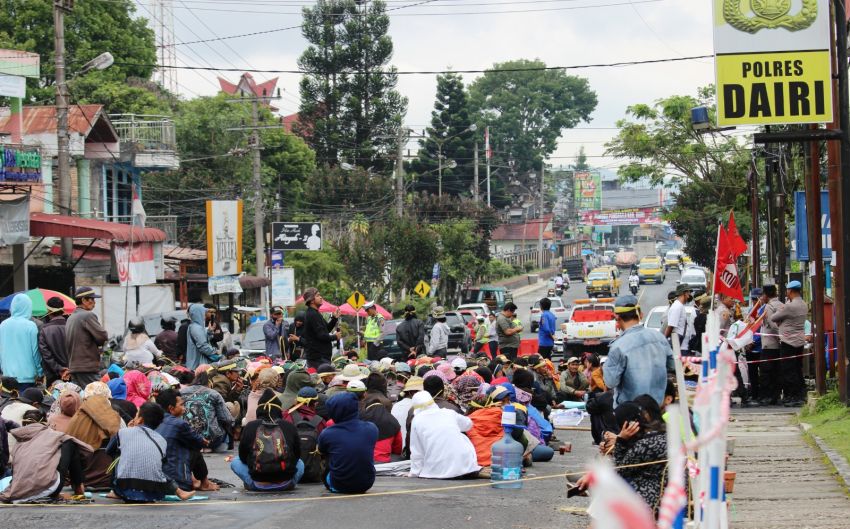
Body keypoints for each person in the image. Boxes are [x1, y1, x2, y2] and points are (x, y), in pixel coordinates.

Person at [106, 402, 195, 502]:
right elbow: (162, 465)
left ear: (140, 419)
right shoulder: (161, 440)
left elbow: (109, 450)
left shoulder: (123, 432)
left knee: (118, 454)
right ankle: (179, 491)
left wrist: (126, 433)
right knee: (156, 465)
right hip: (156, 493)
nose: (134, 418)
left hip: (123, 490)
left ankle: (114, 491)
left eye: (136, 415)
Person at [0, 409, 91, 503]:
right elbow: (88, 450)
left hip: (18, 491)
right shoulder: (55, 435)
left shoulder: (19, 442)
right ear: (45, 422)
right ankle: (78, 489)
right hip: (48, 488)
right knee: (69, 442)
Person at [604, 295, 674, 406]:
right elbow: (673, 365)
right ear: (640, 315)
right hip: (657, 408)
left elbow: (610, 382)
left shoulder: (618, 346)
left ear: (617, 317)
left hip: (630, 414)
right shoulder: (659, 337)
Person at [230, 389, 304, 491]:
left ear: (259, 409)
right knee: (300, 463)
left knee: (235, 461)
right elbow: (297, 455)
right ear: (278, 409)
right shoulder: (289, 426)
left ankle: (253, 483)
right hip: (285, 483)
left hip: (258, 482)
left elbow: (243, 457)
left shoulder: (250, 426)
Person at [155, 389, 217, 492]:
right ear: (171, 408)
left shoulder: (152, 420)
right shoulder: (179, 424)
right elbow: (200, 442)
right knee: (195, 449)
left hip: (153, 481)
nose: (184, 408)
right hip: (177, 483)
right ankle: (204, 483)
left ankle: (195, 480)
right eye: (181, 405)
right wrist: (203, 441)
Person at [408, 391, 480, 479]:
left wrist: (414, 473)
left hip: (436, 470)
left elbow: (417, 452)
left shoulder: (416, 420)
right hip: (466, 467)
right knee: (462, 436)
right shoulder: (449, 412)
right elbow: (468, 424)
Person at [318, 392, 378, 494]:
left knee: (327, 455)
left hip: (339, 485)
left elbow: (321, 451)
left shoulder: (327, 433)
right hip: (366, 483)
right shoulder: (372, 428)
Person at [770, 281, 808, 407]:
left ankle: (793, 396)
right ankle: (801, 395)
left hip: (788, 342)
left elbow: (773, 318)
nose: (786, 293)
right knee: (797, 368)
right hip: (799, 341)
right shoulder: (803, 304)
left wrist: (782, 310)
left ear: (790, 291)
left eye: (787, 291)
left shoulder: (789, 306)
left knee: (788, 370)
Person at [65, 287, 109, 388]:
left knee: (82, 398)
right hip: (87, 367)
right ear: (84, 300)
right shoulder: (87, 315)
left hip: (75, 367)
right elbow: (103, 336)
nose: (94, 302)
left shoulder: (71, 317)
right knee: (99, 396)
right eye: (92, 299)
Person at [179, 371, 233, 451]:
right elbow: (226, 419)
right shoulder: (214, 393)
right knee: (226, 428)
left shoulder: (181, 392)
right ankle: (215, 447)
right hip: (211, 440)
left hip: (187, 438)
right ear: (209, 382)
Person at [0, 294, 42, 391]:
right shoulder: (31, 326)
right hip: (27, 376)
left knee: (9, 404)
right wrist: (40, 372)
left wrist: (3, 369)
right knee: (25, 404)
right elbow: (35, 352)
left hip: (7, 375)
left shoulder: (3, 325)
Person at [301, 288, 341, 369]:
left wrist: (334, 318)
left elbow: (326, 329)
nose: (321, 297)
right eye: (318, 295)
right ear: (311, 300)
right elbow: (321, 335)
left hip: (321, 357)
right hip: (318, 357)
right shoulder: (312, 314)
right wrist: (335, 337)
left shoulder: (316, 313)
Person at [360, 388, 402, 463]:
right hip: (384, 461)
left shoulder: (361, 420)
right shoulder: (393, 421)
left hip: (364, 460)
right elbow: (398, 449)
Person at [759, 284, 783, 405]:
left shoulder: (769, 307)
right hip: (779, 344)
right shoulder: (781, 304)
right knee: (776, 371)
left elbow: (772, 325)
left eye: (763, 294)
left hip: (769, 344)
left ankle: (768, 396)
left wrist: (781, 336)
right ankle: (776, 395)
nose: (762, 297)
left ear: (766, 295)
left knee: (766, 372)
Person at [39, 298, 70, 386]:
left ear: (49, 310)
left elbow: (46, 355)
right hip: (71, 373)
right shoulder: (71, 327)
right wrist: (68, 370)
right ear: (62, 310)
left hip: (53, 374)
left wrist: (60, 369)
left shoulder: (44, 330)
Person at [391, 376, 423, 452]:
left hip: (398, 448)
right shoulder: (420, 406)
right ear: (413, 392)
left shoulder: (396, 405)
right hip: (413, 449)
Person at [185, 304, 220, 371]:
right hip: (197, 365)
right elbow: (203, 346)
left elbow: (204, 340)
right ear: (198, 313)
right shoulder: (196, 328)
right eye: (203, 313)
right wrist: (214, 352)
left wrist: (209, 331)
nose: (204, 315)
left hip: (195, 364)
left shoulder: (195, 326)